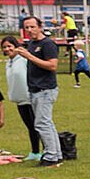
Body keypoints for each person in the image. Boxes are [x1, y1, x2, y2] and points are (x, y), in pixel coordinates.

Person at [12, 17, 62, 167]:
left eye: (32, 27)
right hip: (35, 89)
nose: (29, 30)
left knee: (41, 124)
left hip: (45, 89)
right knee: (47, 123)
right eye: (27, 27)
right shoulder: (32, 44)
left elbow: (52, 66)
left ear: (40, 27)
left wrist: (29, 56)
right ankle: (56, 154)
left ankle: (51, 157)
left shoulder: (47, 44)